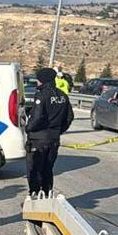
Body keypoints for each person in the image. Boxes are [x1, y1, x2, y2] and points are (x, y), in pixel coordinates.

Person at [26, 68, 74, 196]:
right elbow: (69, 117)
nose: (36, 82)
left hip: (38, 139)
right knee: (48, 169)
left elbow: (37, 117)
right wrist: (59, 130)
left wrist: (28, 128)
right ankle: (47, 194)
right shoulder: (62, 96)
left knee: (34, 169)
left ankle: (35, 196)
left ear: (42, 80)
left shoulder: (42, 95)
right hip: (54, 139)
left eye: (38, 79)